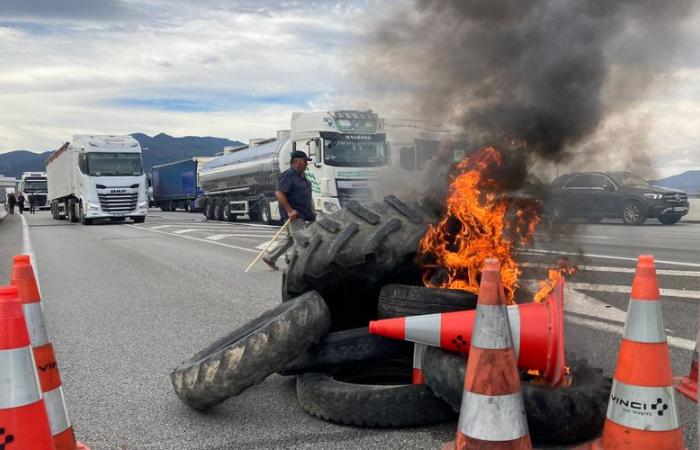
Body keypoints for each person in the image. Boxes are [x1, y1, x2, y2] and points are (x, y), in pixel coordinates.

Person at [262, 150, 316, 270]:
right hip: (294, 214)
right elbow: (279, 193)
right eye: (305, 161)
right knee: (303, 240)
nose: (307, 163)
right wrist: (290, 210)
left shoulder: (302, 177)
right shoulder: (289, 175)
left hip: (304, 213)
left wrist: (312, 210)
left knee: (291, 238)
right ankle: (296, 265)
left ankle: (270, 257)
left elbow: (307, 195)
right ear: (296, 161)